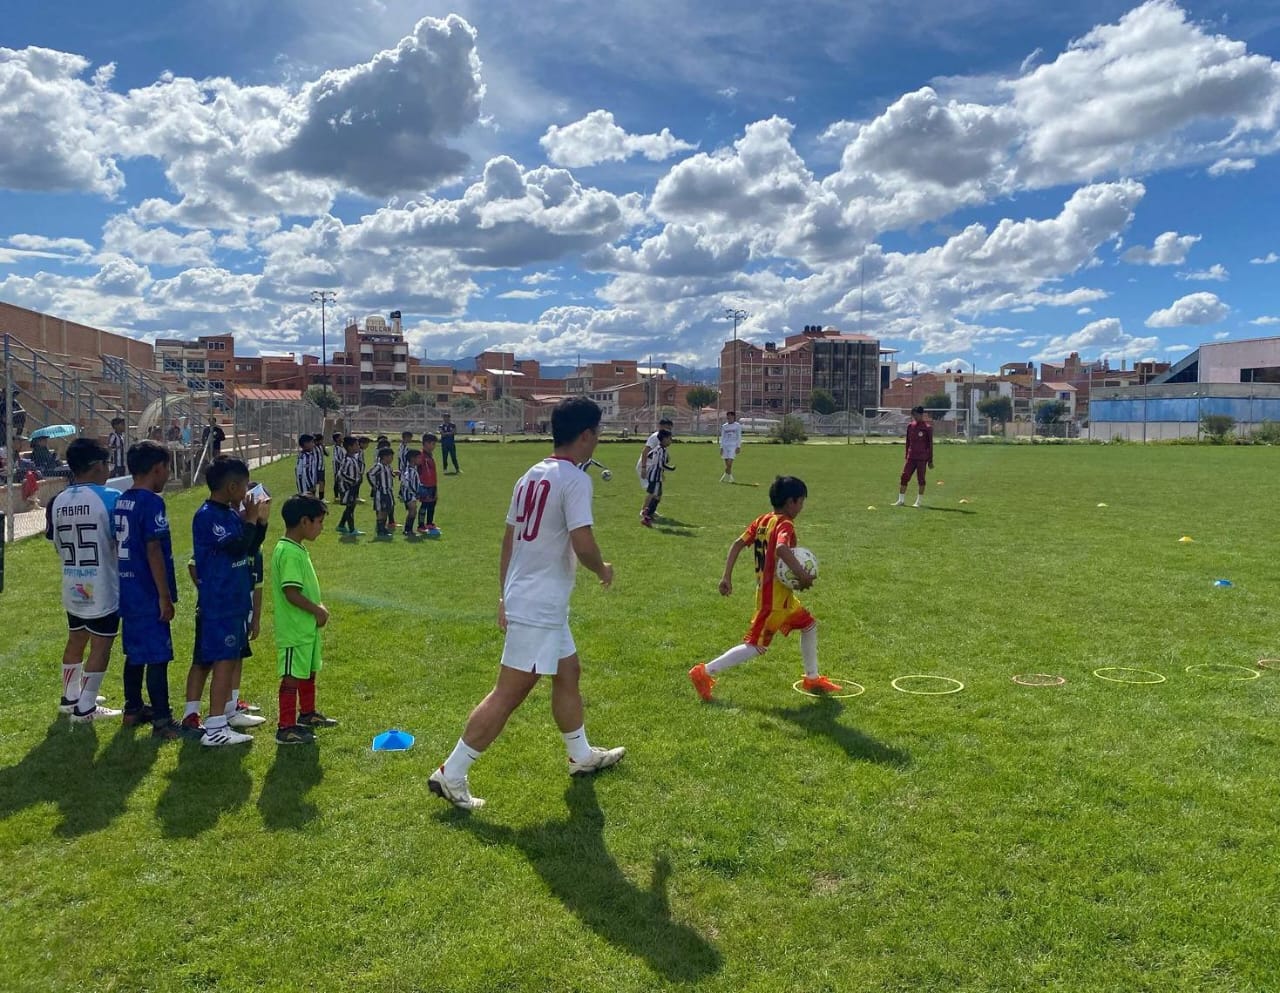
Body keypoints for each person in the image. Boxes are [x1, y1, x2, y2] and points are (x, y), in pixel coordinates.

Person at [428, 397, 624, 810]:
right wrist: (602, 568)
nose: (598, 440)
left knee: (568, 671)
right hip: (540, 604)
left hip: (535, 600)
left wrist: (504, 593)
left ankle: (580, 754)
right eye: (598, 433)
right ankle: (452, 772)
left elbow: (508, 540)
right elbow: (582, 541)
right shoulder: (574, 479)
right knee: (508, 693)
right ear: (586, 435)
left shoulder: (529, 475)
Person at [689, 475, 841, 701]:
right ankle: (704, 672)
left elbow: (737, 544)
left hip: (782, 596)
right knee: (756, 646)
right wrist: (802, 575)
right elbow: (781, 548)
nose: (801, 507)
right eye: (801, 502)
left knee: (809, 625)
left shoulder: (762, 520)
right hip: (773, 599)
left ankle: (812, 678)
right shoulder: (785, 524)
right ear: (791, 502)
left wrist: (726, 577)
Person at [183, 458, 270, 746]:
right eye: (245, 485)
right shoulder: (208, 515)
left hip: (234, 598)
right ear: (233, 486)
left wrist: (260, 522)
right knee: (221, 661)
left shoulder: (231, 513)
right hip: (219, 600)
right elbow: (234, 547)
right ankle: (215, 726)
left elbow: (250, 546)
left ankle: (227, 713)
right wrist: (248, 519)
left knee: (231, 658)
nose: (247, 491)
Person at [113, 441, 195, 740]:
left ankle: (133, 708)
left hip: (129, 589)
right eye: (167, 468)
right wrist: (163, 595)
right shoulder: (152, 503)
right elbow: (153, 549)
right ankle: (162, 720)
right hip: (148, 592)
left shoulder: (123, 500)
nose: (167, 474)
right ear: (158, 468)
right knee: (157, 656)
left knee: (134, 654)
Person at [46, 437, 122, 721]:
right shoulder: (110, 497)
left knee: (76, 638)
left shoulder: (58, 500)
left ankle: (70, 697)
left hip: (73, 579)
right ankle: (86, 706)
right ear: (97, 466)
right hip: (102, 583)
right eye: (107, 463)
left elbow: (55, 543)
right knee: (101, 644)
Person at [273, 495, 337, 744]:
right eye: (319, 522)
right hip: (294, 629)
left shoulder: (297, 548)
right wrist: (317, 610)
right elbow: (291, 592)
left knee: (308, 671)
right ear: (304, 521)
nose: (321, 527)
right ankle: (285, 727)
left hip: (306, 629)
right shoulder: (288, 551)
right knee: (291, 676)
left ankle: (307, 714)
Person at [894, 405, 934, 508]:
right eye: (913, 415)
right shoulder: (910, 426)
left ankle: (918, 502)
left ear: (921, 414)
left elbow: (930, 445)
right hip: (911, 457)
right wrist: (906, 455)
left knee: (921, 479)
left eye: (916, 415)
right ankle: (900, 500)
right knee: (904, 476)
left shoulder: (927, 428)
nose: (914, 417)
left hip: (922, 458)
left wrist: (930, 460)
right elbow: (908, 442)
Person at [640, 429, 674, 528]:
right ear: (663, 439)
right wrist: (670, 468)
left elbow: (650, 455)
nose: (671, 441)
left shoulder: (659, 449)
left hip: (655, 475)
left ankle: (649, 514)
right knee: (653, 494)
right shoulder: (661, 450)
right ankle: (646, 515)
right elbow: (661, 464)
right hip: (655, 476)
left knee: (657, 495)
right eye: (669, 439)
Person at [333, 436, 363, 535]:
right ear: (350, 447)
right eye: (356, 445)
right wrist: (352, 481)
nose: (358, 446)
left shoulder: (352, 458)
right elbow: (341, 474)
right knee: (350, 507)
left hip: (352, 487)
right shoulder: (347, 460)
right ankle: (352, 529)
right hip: (348, 488)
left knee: (351, 507)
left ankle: (341, 525)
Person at [635, 417, 674, 490]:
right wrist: (643, 468)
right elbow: (645, 451)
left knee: (655, 491)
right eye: (667, 428)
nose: (668, 431)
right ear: (660, 426)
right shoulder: (655, 437)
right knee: (653, 491)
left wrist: (661, 472)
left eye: (670, 429)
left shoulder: (664, 438)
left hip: (653, 467)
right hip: (647, 466)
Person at [368, 446, 397, 538]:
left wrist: (394, 474)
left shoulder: (387, 466)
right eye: (390, 457)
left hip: (388, 491)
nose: (392, 459)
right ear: (384, 457)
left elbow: (388, 474)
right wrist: (375, 486)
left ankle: (383, 528)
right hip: (381, 492)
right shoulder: (379, 466)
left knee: (387, 510)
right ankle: (380, 530)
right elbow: (370, 474)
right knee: (382, 511)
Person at [416, 433, 440, 535]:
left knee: (432, 503)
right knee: (425, 504)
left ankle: (429, 523)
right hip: (424, 484)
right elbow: (418, 469)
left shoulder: (430, 455)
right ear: (426, 443)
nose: (434, 446)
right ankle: (421, 525)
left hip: (432, 484)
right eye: (432, 444)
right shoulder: (421, 456)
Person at [399, 449, 421, 538]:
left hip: (411, 494)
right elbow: (407, 483)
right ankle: (408, 530)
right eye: (418, 458)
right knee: (412, 511)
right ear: (412, 459)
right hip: (410, 494)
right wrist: (416, 492)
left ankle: (408, 530)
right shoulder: (410, 471)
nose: (420, 460)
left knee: (413, 511)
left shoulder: (412, 469)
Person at [719, 410, 743, 483]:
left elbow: (739, 436)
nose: (729, 417)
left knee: (729, 463)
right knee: (727, 463)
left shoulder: (737, 426)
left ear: (733, 417)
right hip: (725, 446)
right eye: (728, 416)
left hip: (733, 446)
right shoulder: (724, 426)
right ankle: (730, 478)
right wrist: (721, 447)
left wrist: (738, 446)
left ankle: (723, 477)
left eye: (730, 416)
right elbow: (722, 437)